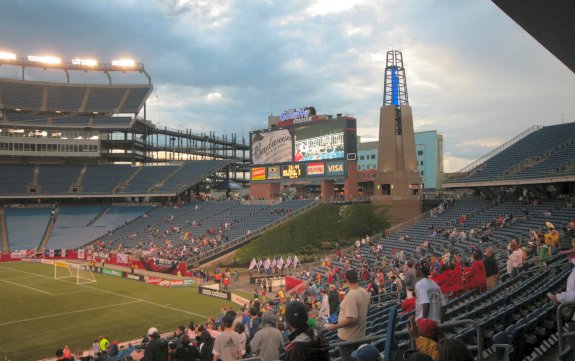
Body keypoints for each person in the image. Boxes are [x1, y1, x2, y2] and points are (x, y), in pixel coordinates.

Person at [325, 269, 370, 361]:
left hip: (348, 338)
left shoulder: (351, 296)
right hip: (360, 335)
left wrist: (335, 327)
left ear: (346, 280)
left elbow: (351, 318)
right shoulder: (364, 291)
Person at [414, 259, 446, 323]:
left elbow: (426, 303)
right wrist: (441, 322)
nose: (415, 271)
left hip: (425, 324)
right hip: (436, 323)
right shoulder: (435, 284)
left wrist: (424, 322)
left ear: (420, 271)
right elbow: (443, 305)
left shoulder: (420, 284)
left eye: (416, 269)